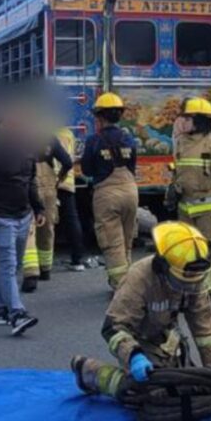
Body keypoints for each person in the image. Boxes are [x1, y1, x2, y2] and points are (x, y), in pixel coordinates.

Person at [70, 222, 211, 396]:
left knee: (192, 387)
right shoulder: (139, 279)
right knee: (148, 393)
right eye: (182, 282)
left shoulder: (192, 278)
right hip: (138, 342)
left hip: (168, 340)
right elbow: (113, 328)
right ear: (163, 267)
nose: (189, 288)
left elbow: (205, 326)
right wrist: (134, 355)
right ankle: (92, 372)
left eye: (196, 282)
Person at [0, 109, 45, 336]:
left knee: (13, 267)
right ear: (1, 126)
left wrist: (38, 207)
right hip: (1, 217)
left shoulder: (27, 148)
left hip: (23, 216)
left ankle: (0, 309)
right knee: (7, 265)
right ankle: (17, 313)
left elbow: (30, 181)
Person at [167, 98, 211, 303]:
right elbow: (178, 172)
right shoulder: (180, 144)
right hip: (185, 207)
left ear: (199, 121)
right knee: (188, 250)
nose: (183, 122)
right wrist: (171, 193)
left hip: (209, 209)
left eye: (187, 118)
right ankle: (191, 287)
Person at [81, 92, 138, 290]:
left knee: (112, 243)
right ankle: (129, 281)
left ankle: (121, 287)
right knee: (127, 239)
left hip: (107, 194)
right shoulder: (128, 138)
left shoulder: (93, 141)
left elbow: (87, 169)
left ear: (100, 117)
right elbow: (132, 165)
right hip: (131, 191)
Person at [20, 134, 72, 292]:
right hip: (49, 188)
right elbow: (67, 162)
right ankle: (45, 269)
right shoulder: (50, 139)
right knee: (47, 228)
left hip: (28, 186)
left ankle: (30, 273)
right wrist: (59, 179)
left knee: (29, 228)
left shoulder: (20, 140)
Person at [55, 126, 87, 271]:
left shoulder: (43, 133)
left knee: (42, 221)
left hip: (49, 182)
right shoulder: (68, 133)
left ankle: (41, 263)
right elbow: (72, 157)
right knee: (71, 218)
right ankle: (77, 259)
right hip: (67, 181)